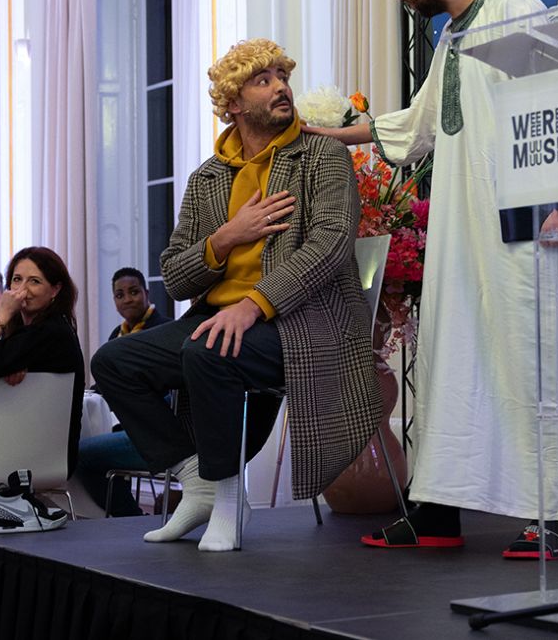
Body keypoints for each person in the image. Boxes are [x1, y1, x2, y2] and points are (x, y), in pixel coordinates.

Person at [304, 0, 558, 557]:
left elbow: (556, 105)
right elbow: (418, 128)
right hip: (464, 230)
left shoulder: (514, 7)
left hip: (524, 224)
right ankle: (438, 510)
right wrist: (330, 134)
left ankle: (554, 512)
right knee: (451, 359)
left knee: (530, 359)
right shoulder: (453, 35)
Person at [92, 38, 381, 552]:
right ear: (233, 103)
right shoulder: (207, 178)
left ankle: (228, 498)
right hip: (220, 318)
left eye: (282, 77)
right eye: (262, 81)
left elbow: (331, 243)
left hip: (303, 322)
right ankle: (199, 480)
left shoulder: (321, 155)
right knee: (113, 361)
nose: (280, 87)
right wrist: (226, 238)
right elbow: (175, 276)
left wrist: (253, 305)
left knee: (208, 351)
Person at [0, 247, 85, 475]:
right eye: (17, 280)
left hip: (37, 454)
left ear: (55, 289)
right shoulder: (32, 331)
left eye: (34, 281)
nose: (22, 290)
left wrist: (1, 314)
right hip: (25, 442)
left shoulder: (51, 331)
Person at [77, 268, 172, 516]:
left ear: (147, 293)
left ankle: (128, 517)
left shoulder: (164, 330)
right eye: (120, 295)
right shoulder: (117, 335)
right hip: (122, 422)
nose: (127, 299)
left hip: (151, 429)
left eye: (133, 292)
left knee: (81, 455)